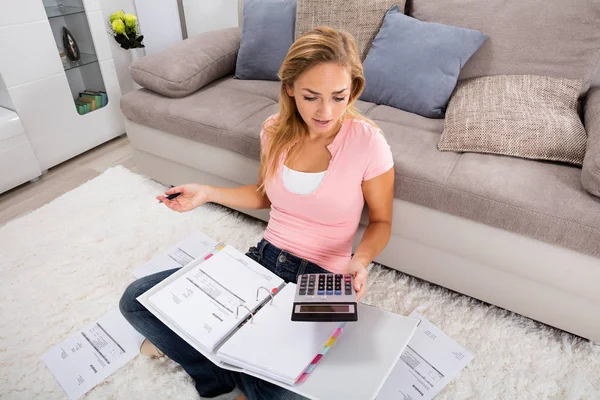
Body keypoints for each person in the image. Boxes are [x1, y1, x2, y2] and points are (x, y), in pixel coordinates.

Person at [119, 26, 394, 400]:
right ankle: (219, 375)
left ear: (354, 90)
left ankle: (227, 358)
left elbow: (381, 221)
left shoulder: (368, 142)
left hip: (325, 279)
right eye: (311, 97)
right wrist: (208, 193)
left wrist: (360, 260)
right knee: (137, 299)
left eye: (339, 97)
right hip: (262, 261)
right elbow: (266, 195)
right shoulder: (274, 130)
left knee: (287, 393)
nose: (325, 111)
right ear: (290, 89)